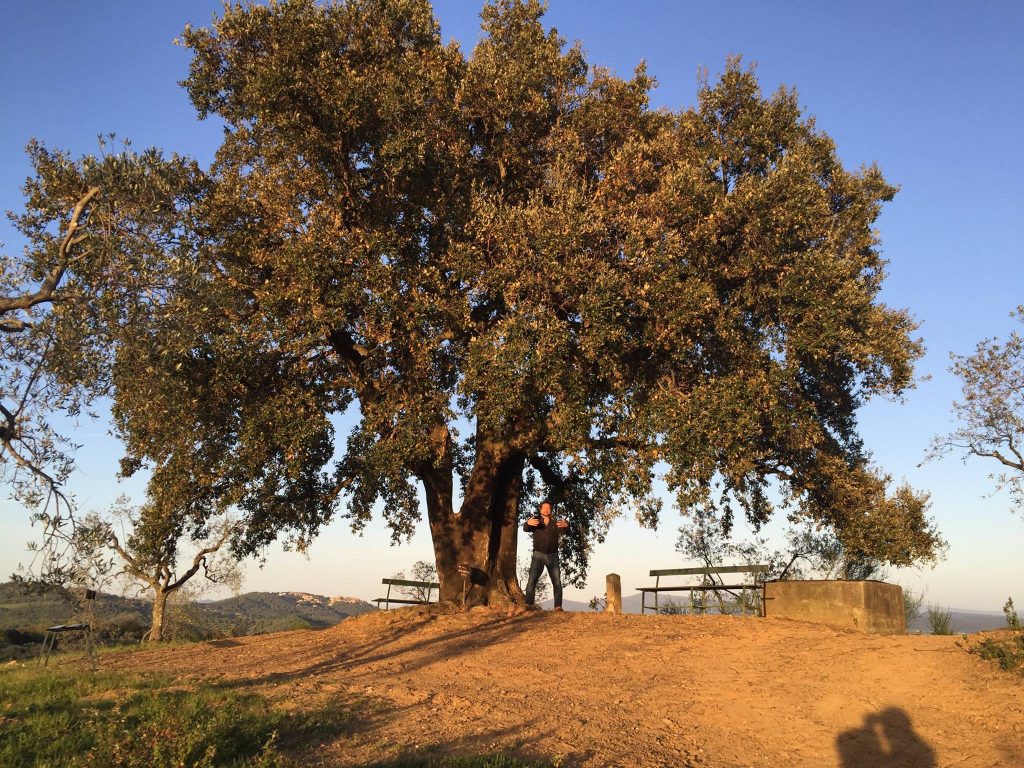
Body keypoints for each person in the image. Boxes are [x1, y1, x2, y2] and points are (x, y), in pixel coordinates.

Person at [522, 499, 568, 611]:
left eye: (549, 508)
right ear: (540, 509)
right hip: (538, 555)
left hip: (553, 556)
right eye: (545, 508)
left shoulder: (555, 524)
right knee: (531, 581)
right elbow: (526, 528)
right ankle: (529, 605)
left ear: (551, 510)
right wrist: (527, 523)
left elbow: (567, 532)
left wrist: (567, 526)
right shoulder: (536, 522)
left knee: (557, 582)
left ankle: (558, 606)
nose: (547, 510)